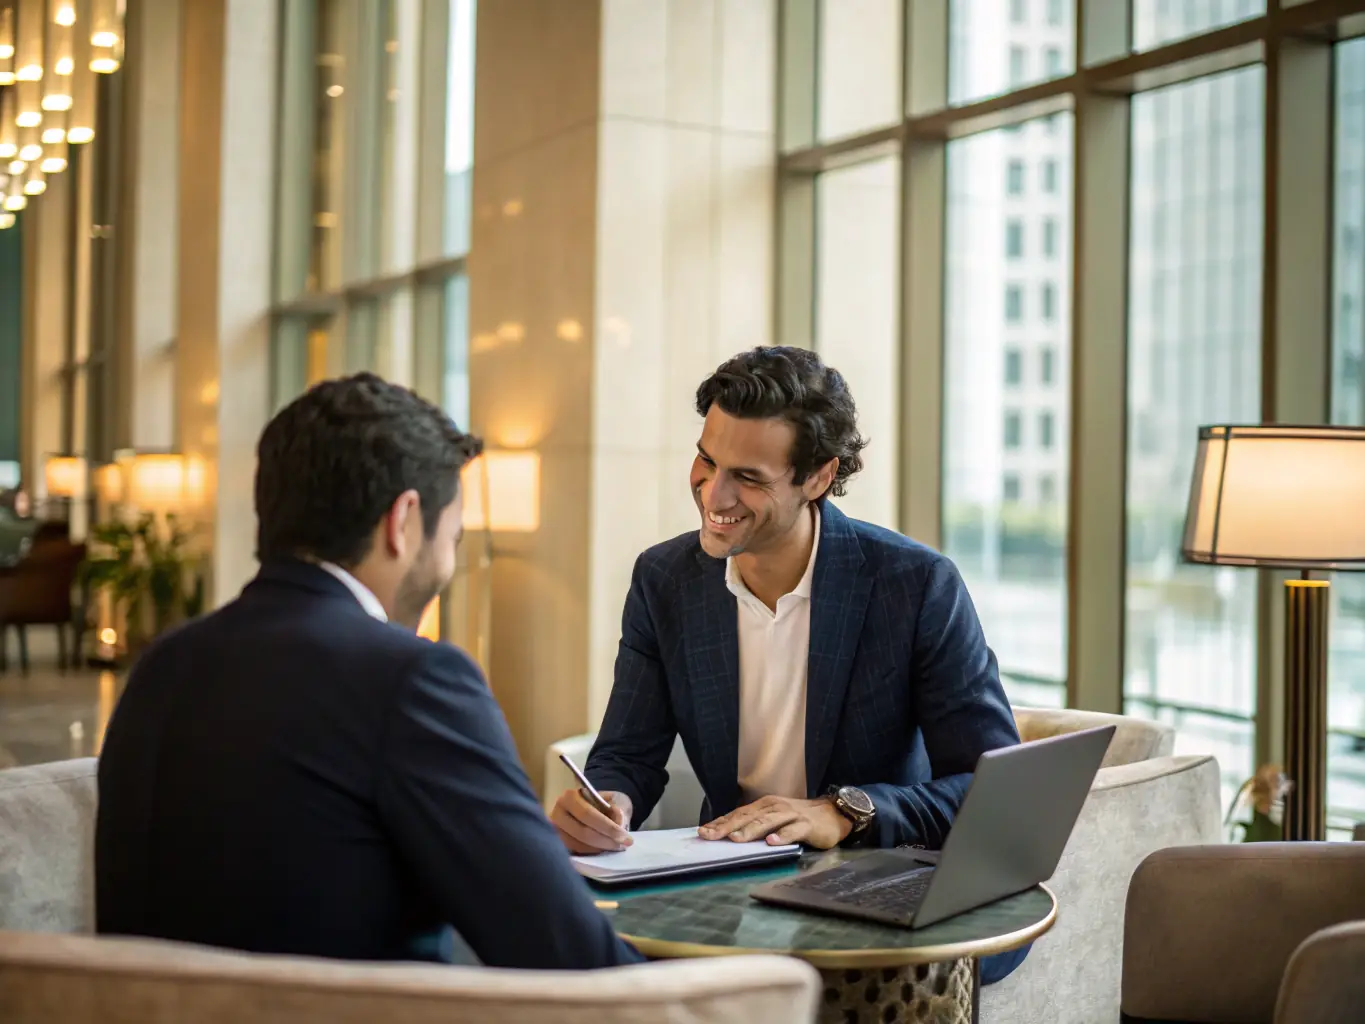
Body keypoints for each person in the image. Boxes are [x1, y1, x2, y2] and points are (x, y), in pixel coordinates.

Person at [97, 373, 640, 971]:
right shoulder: (412, 679)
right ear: (403, 520)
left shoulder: (163, 664)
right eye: (452, 537)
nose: (448, 563)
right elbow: (568, 955)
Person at [549, 346, 1027, 983]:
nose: (713, 494)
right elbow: (628, 754)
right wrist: (605, 801)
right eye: (707, 459)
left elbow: (990, 789)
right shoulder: (664, 579)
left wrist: (843, 811)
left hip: (874, 885)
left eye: (748, 477)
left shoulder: (915, 585)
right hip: (729, 888)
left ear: (819, 477)